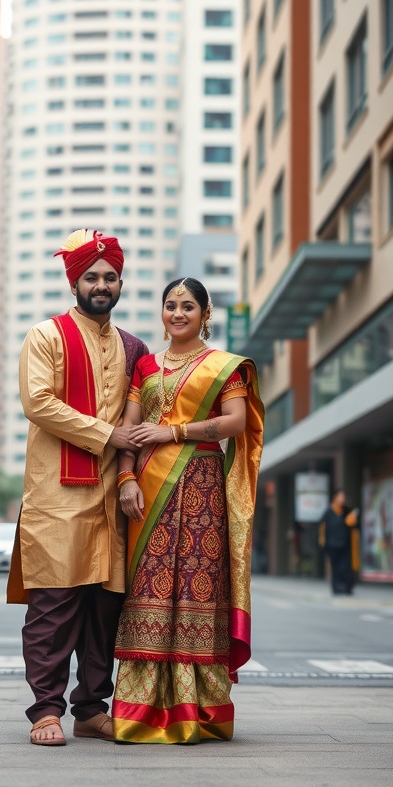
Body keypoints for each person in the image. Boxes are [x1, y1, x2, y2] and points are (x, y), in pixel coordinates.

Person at [7, 229, 148, 747]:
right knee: (53, 606)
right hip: (57, 498)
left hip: (113, 498)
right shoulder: (45, 337)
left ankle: (91, 709)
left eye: (110, 277)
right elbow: (38, 403)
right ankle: (45, 711)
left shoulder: (134, 347)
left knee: (104, 611)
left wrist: (129, 471)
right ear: (75, 283)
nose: (102, 284)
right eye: (92, 276)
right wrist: (108, 434)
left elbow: (140, 418)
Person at [112, 277, 264, 744]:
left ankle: (200, 710)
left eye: (188, 307)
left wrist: (173, 433)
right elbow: (128, 427)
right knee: (151, 585)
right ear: (162, 312)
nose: (178, 314)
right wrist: (125, 479)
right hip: (149, 489)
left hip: (201, 488)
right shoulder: (145, 366)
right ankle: (142, 712)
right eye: (171, 305)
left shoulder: (224, 367)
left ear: (205, 314)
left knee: (197, 586)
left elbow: (237, 421)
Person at [319, 489, 359, 595]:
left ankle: (346, 587)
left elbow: (354, 525)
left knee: (345, 567)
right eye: (340, 497)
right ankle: (337, 588)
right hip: (333, 545)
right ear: (335, 498)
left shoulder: (347, 511)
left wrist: (352, 521)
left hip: (345, 544)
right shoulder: (329, 512)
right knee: (336, 567)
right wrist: (323, 542)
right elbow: (322, 528)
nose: (342, 499)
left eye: (343, 497)